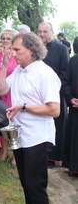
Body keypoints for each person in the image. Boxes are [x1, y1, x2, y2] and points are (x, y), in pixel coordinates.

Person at [0, 32, 61, 204]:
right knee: (26, 184)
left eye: (17, 49)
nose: (13, 54)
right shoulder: (18, 70)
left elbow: (54, 109)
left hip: (37, 137)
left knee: (35, 187)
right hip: (20, 136)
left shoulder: (45, 74)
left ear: (31, 50)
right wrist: (3, 66)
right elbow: (1, 90)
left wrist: (24, 107)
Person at [37, 22, 70, 168]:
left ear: (52, 32)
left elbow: (65, 72)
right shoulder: (35, 49)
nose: (42, 34)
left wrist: (53, 88)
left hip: (56, 93)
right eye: (40, 32)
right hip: (37, 94)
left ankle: (53, 156)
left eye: (45, 31)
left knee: (57, 124)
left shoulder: (61, 49)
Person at [0, 29, 18, 166]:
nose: (6, 41)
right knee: (2, 123)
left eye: (9, 38)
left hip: (12, 94)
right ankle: (4, 152)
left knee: (13, 124)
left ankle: (15, 155)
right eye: (3, 38)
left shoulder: (17, 56)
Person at [63, 37, 78, 177]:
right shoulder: (73, 61)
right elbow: (66, 82)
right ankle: (74, 167)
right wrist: (71, 98)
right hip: (76, 106)